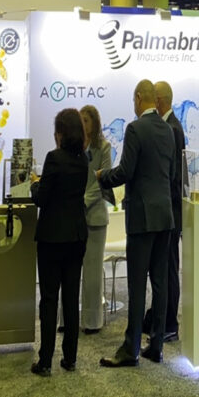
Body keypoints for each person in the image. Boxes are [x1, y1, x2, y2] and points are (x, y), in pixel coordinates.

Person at [96, 80, 176, 367]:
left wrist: (101, 176)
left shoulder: (134, 129)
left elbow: (125, 172)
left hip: (142, 218)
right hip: (164, 215)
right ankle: (156, 345)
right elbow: (171, 174)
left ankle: (131, 349)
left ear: (139, 98)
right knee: (160, 283)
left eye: (133, 100)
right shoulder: (168, 130)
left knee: (137, 284)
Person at [30, 108, 88, 377]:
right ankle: (70, 357)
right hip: (76, 236)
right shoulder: (83, 159)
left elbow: (42, 198)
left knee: (49, 299)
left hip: (52, 237)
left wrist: (34, 184)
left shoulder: (53, 158)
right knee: (71, 298)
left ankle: (45, 361)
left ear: (61, 133)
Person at [142, 81, 186, 343]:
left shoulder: (173, 129)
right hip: (168, 209)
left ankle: (170, 323)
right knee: (163, 267)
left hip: (171, 210)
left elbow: (174, 176)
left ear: (158, 100)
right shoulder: (170, 126)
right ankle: (160, 319)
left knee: (169, 268)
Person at [79, 105, 113, 335]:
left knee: (92, 274)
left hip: (95, 216)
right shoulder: (73, 146)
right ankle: (66, 320)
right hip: (74, 216)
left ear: (95, 123)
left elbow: (104, 179)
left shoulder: (104, 147)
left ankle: (92, 322)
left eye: (87, 120)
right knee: (70, 273)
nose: (83, 124)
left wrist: (83, 200)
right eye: (80, 120)